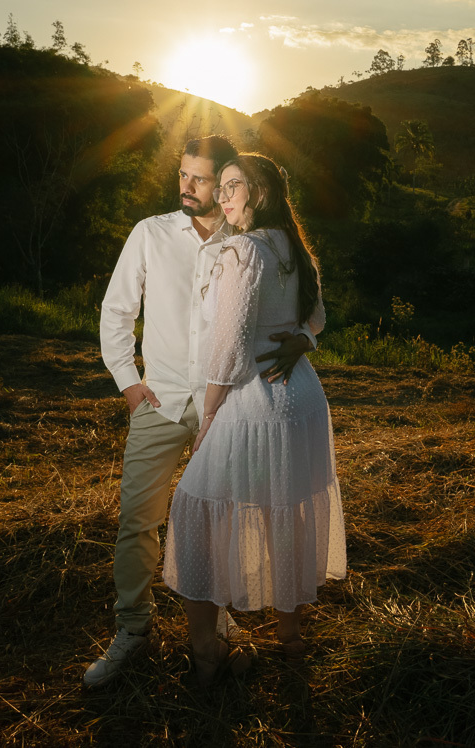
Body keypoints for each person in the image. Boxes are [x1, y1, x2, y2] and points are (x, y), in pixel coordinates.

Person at [84, 137, 313, 688]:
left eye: (202, 178)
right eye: (182, 174)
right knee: (138, 520)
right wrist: (129, 385)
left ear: (230, 184)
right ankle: (133, 630)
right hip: (160, 402)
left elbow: (297, 305)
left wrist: (304, 336)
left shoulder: (250, 241)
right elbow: (116, 312)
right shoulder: (151, 234)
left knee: (222, 523)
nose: (186, 185)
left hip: (232, 408)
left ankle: (220, 628)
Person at [162, 153, 346, 686]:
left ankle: (205, 658)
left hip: (255, 403)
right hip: (302, 399)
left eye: (232, 186)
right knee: (280, 514)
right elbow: (318, 317)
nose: (221, 196)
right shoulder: (294, 249)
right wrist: (304, 341)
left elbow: (230, 345)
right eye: (218, 187)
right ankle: (292, 644)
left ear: (259, 192)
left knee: (193, 508)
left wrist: (210, 415)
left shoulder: (243, 249)